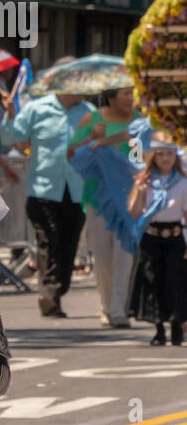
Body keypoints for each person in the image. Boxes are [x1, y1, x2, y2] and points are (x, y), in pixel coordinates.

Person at [0, 83, 94, 317]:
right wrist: (10, 113)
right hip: (43, 190)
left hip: (76, 189)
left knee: (68, 243)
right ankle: (49, 293)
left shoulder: (89, 112)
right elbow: (11, 136)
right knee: (48, 239)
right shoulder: (37, 109)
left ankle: (57, 291)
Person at [66, 86, 137, 327]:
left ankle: (119, 309)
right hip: (97, 199)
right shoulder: (91, 118)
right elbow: (70, 154)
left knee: (125, 256)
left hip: (130, 201)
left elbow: (143, 158)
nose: (131, 98)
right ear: (111, 96)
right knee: (103, 257)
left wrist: (131, 142)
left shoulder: (139, 121)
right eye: (126, 93)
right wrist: (91, 139)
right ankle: (107, 306)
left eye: (133, 93)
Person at [127, 138, 187, 346]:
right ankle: (159, 328)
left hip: (174, 236)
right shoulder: (147, 180)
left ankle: (176, 325)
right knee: (153, 282)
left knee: (175, 283)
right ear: (154, 157)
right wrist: (140, 190)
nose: (165, 159)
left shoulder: (182, 182)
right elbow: (134, 212)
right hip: (152, 236)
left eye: (169, 154)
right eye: (160, 154)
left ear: (175, 157)